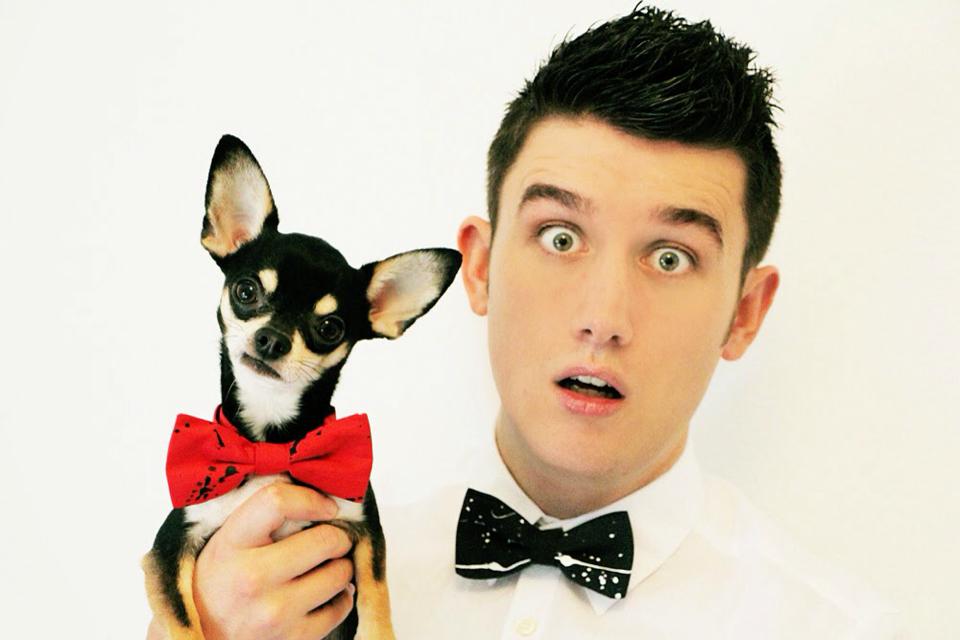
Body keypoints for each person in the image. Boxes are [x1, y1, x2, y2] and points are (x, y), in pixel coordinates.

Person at [149, 5, 902, 639]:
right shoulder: (268, 589)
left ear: (744, 313)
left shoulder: (843, 629)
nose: (603, 319)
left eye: (670, 257)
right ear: (479, 268)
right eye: (561, 238)